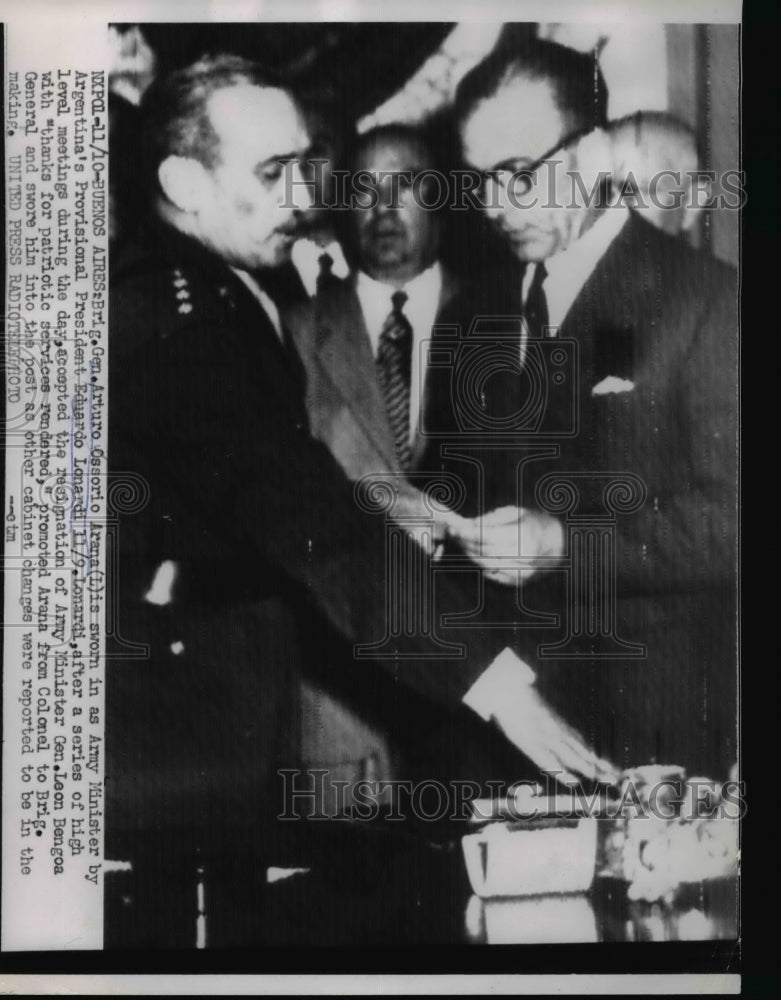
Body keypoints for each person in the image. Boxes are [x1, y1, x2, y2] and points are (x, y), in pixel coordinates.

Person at [106, 53, 613, 947]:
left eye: (304, 164)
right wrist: (491, 683)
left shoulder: (218, 291)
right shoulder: (174, 317)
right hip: (164, 752)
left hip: (205, 734)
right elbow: (307, 516)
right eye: (270, 174)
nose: (304, 196)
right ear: (183, 181)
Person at [452, 39, 738, 778]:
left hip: (650, 724)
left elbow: (733, 521)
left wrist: (563, 545)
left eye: (516, 175)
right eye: (477, 182)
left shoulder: (704, 299)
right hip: (510, 716)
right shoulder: (479, 306)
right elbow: (469, 480)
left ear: (596, 152)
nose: (493, 206)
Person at [286, 123, 565, 798]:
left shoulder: (511, 315)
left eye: (406, 184)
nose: (384, 208)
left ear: (443, 197)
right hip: (347, 703)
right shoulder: (289, 329)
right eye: (363, 190)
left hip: (497, 695)